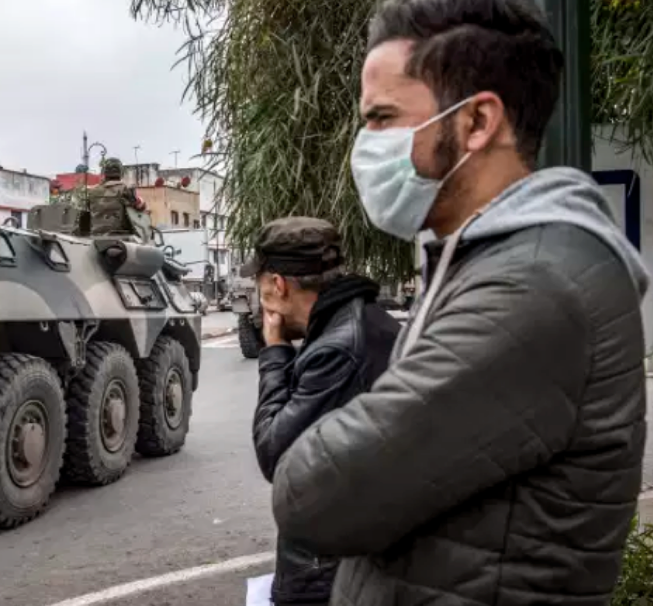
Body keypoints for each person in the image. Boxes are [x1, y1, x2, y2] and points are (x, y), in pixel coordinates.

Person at [270, 0, 650, 604]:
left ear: (476, 122)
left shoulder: (535, 284)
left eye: (383, 118)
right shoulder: (489, 260)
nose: (364, 146)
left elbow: (316, 494)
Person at [244, 217, 401, 605]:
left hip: (330, 569)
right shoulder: (362, 321)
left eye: (260, 286)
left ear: (278, 285)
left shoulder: (336, 349)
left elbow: (275, 454)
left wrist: (274, 351)